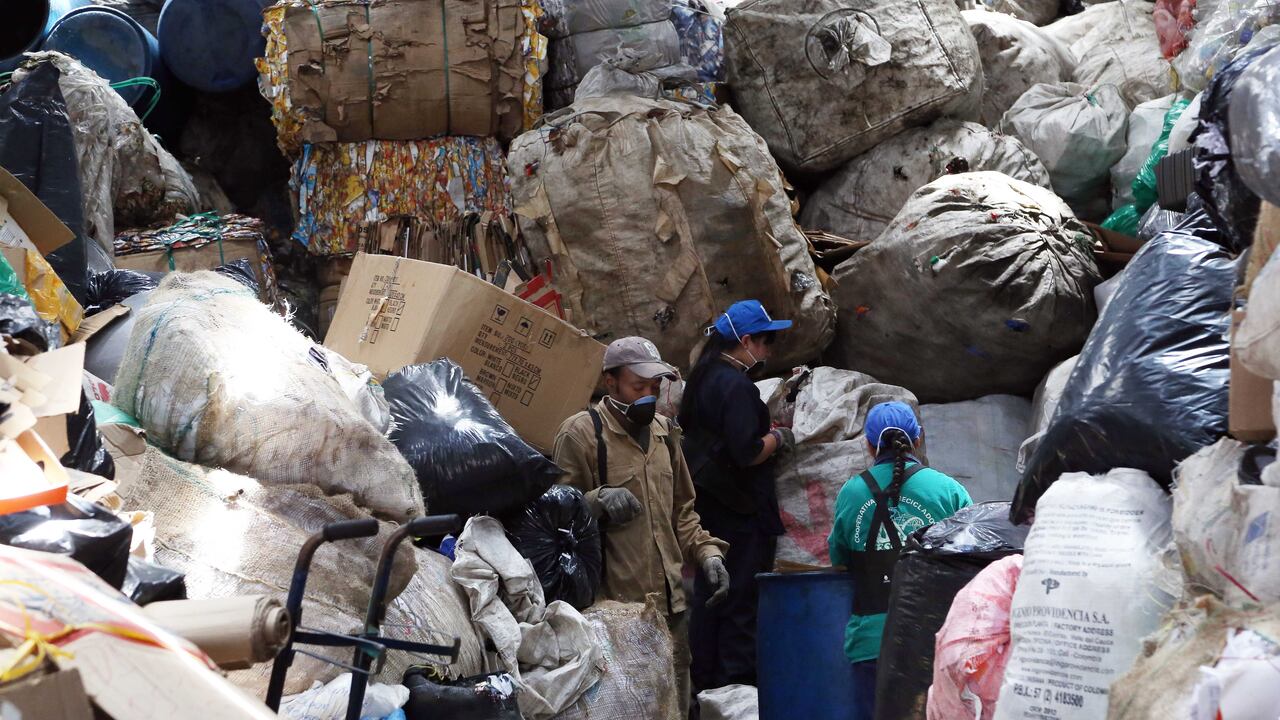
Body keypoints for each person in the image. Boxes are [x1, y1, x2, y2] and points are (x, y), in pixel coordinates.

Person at [552, 336, 730, 718]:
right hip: (614, 612)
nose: (648, 396)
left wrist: (708, 552)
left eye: (654, 387)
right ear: (610, 382)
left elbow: (682, 510)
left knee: (675, 703)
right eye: (638, 387)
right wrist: (595, 500)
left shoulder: (666, 433)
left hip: (671, 608)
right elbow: (553, 517)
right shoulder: (581, 434)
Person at [827, 401, 972, 718]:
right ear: (918, 440)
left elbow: (838, 557)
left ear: (868, 444)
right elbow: (972, 560)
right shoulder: (949, 491)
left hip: (871, 642)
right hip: (935, 640)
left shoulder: (851, 493)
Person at [679, 299, 795, 692]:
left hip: (709, 507)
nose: (768, 351)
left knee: (711, 599)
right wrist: (778, 437)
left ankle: (703, 691)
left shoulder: (700, 378)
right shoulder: (737, 388)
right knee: (741, 604)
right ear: (746, 341)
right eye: (766, 342)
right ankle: (735, 692)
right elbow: (747, 452)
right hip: (742, 513)